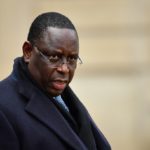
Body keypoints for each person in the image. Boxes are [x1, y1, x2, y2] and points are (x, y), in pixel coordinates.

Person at [0, 12, 111, 150]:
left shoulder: (65, 99)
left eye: (72, 59)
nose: (64, 68)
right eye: (54, 57)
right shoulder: (3, 106)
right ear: (28, 51)